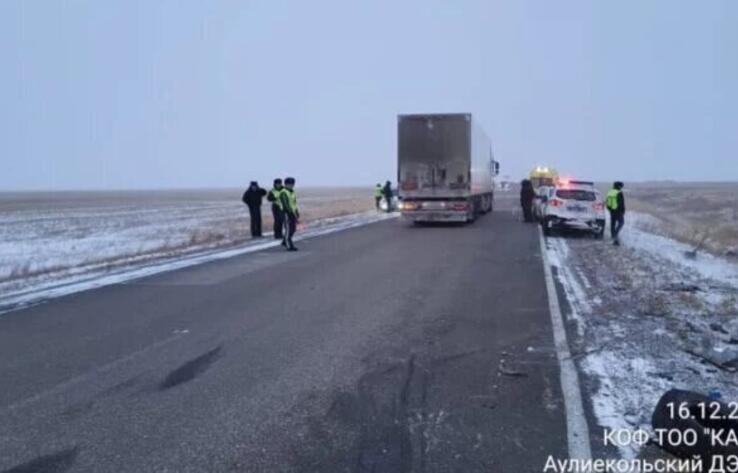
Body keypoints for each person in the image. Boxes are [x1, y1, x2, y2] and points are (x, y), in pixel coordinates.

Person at [279, 177, 299, 251]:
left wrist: (296, 212)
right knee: (288, 229)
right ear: (286, 184)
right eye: (289, 184)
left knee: (293, 229)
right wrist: (290, 212)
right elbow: (285, 204)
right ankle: (289, 245)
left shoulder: (292, 192)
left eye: (292, 184)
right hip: (286, 213)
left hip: (292, 213)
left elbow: (294, 203)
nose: (291, 185)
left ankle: (285, 241)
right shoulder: (284, 192)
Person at [606, 181, 626, 246]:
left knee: (612, 224)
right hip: (618, 211)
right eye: (621, 186)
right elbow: (621, 203)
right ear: (619, 186)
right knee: (621, 223)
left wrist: (610, 209)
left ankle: (613, 236)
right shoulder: (619, 193)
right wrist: (623, 211)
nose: (621, 187)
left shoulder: (610, 192)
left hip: (611, 211)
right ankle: (616, 235)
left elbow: (607, 202)